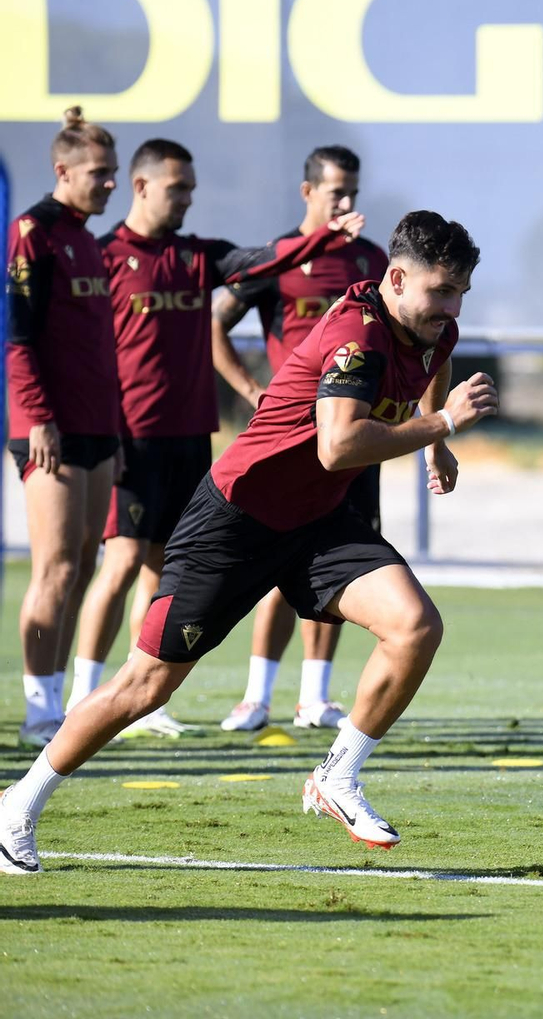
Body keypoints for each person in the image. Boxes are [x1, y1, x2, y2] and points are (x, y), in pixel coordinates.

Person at [0, 211, 497, 874]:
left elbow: (433, 364)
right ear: (397, 278)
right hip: (238, 518)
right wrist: (439, 424)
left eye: (462, 290)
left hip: (320, 519)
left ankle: (337, 777)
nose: (452, 306)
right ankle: (17, 807)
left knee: (416, 626)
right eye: (441, 290)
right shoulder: (358, 334)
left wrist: (434, 442)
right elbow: (339, 444)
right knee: (146, 685)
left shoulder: (436, 327)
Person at [66, 137, 366, 736]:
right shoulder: (104, 258)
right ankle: (78, 697)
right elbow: (78, 351)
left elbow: (258, 261)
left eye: (192, 190)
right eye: (178, 189)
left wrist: (323, 239)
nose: (186, 199)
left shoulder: (194, 256)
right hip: (131, 436)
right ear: (142, 185)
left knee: (161, 567)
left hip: (190, 435)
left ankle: (140, 699)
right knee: (121, 560)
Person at [211, 145, 389, 732]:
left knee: (342, 562)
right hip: (288, 442)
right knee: (274, 557)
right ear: (307, 191)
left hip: (352, 438)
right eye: (337, 191)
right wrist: (250, 389)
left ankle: (314, 696)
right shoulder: (281, 256)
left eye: (354, 193)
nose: (346, 203)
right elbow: (215, 321)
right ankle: (256, 695)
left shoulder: (370, 260)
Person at [5, 107, 121, 749]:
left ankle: (59, 700)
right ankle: (37, 708)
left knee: (83, 561)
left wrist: (118, 431)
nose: (110, 184)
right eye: (99, 174)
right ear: (63, 171)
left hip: (99, 426)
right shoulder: (35, 230)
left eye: (113, 173)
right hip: (47, 426)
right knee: (52, 567)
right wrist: (38, 417)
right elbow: (17, 336)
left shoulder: (86, 238)